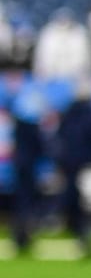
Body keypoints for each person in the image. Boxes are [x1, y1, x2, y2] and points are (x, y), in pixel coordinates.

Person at [54, 78, 91, 258]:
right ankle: (81, 232)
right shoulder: (89, 113)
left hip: (69, 162)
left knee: (72, 195)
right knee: (81, 199)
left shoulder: (68, 111)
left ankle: (70, 225)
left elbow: (60, 135)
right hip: (83, 163)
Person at [6, 85, 48, 255]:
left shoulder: (19, 125)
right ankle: (23, 236)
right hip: (29, 168)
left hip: (20, 166)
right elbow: (41, 147)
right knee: (28, 204)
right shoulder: (32, 127)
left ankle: (19, 237)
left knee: (21, 204)